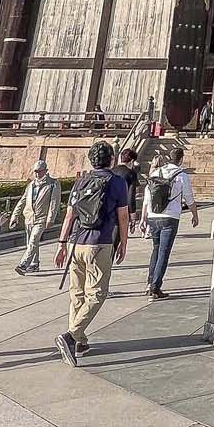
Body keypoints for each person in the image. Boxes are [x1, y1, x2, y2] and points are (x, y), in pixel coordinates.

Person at [51, 141, 131, 365]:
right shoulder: (117, 182)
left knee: (77, 293)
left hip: (77, 243)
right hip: (100, 242)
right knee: (97, 294)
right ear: (112, 160)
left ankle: (80, 341)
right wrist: (123, 242)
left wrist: (62, 243)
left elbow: (69, 215)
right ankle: (70, 335)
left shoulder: (80, 182)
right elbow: (123, 217)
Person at [143, 146, 197, 299]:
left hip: (153, 216)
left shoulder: (156, 172)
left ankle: (149, 282)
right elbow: (189, 198)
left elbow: (148, 196)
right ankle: (155, 288)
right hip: (170, 217)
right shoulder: (181, 175)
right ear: (181, 159)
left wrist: (144, 217)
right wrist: (195, 214)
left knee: (156, 249)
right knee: (163, 253)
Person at [8, 160, 62, 274]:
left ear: (45, 171)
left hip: (42, 218)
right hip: (29, 217)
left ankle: (23, 264)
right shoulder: (31, 185)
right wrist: (15, 216)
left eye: (39, 171)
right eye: (35, 171)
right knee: (31, 242)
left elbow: (54, 202)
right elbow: (22, 201)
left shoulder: (53, 184)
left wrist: (50, 218)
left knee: (33, 240)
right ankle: (34, 264)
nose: (37, 174)